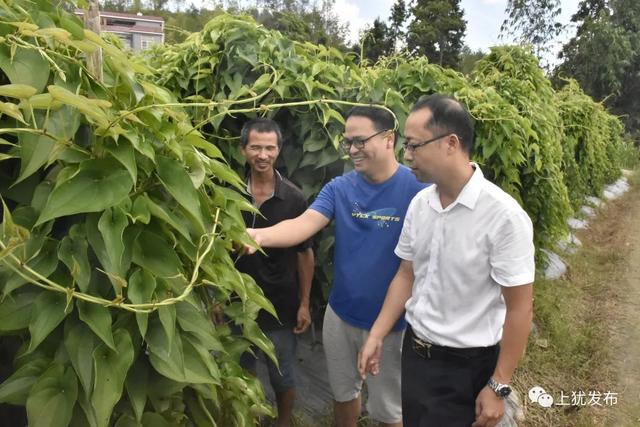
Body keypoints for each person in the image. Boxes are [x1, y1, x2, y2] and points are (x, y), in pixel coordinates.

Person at [358, 94, 535, 427]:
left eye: (413, 145)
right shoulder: (420, 204)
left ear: (451, 143)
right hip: (416, 354)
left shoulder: (504, 216)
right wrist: (377, 335)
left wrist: (498, 385)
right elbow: (406, 275)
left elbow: (520, 307)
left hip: (465, 367)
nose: (406, 156)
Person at [245, 106, 426, 427]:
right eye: (347, 143)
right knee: (344, 396)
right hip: (340, 317)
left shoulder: (419, 192)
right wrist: (257, 235)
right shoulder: (340, 188)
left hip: (393, 326)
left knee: (389, 412)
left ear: (389, 139)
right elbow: (303, 225)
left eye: (360, 141)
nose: (352, 150)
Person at [235, 118, 315, 427]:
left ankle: (283, 421)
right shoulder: (231, 193)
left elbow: (305, 254)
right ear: (244, 150)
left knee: (282, 374)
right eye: (255, 147)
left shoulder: (294, 198)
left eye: (270, 148)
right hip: (237, 301)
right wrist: (215, 299)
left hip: (280, 303)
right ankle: (248, 418)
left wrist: (305, 303)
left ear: (278, 151)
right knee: (242, 371)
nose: (263, 155)